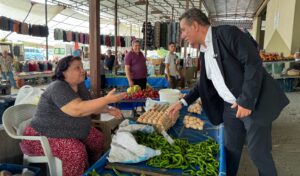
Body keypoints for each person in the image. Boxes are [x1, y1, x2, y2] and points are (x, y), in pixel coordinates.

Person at [167, 8, 289, 176]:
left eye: (183, 30)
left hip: (252, 103)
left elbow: (252, 63)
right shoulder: (204, 52)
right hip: (230, 108)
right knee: (230, 150)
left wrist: (246, 101)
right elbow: (203, 85)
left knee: (258, 154)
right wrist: (182, 102)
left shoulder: (227, 34)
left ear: (195, 25)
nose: (182, 35)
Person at [21, 55, 126, 176]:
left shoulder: (79, 85)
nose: (83, 70)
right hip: (43, 136)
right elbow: (77, 109)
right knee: (76, 151)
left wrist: (107, 109)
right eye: (77, 68)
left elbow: (89, 106)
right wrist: (106, 100)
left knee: (97, 139)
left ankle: (91, 170)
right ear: (64, 72)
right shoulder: (57, 87)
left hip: (67, 131)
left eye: (82, 67)